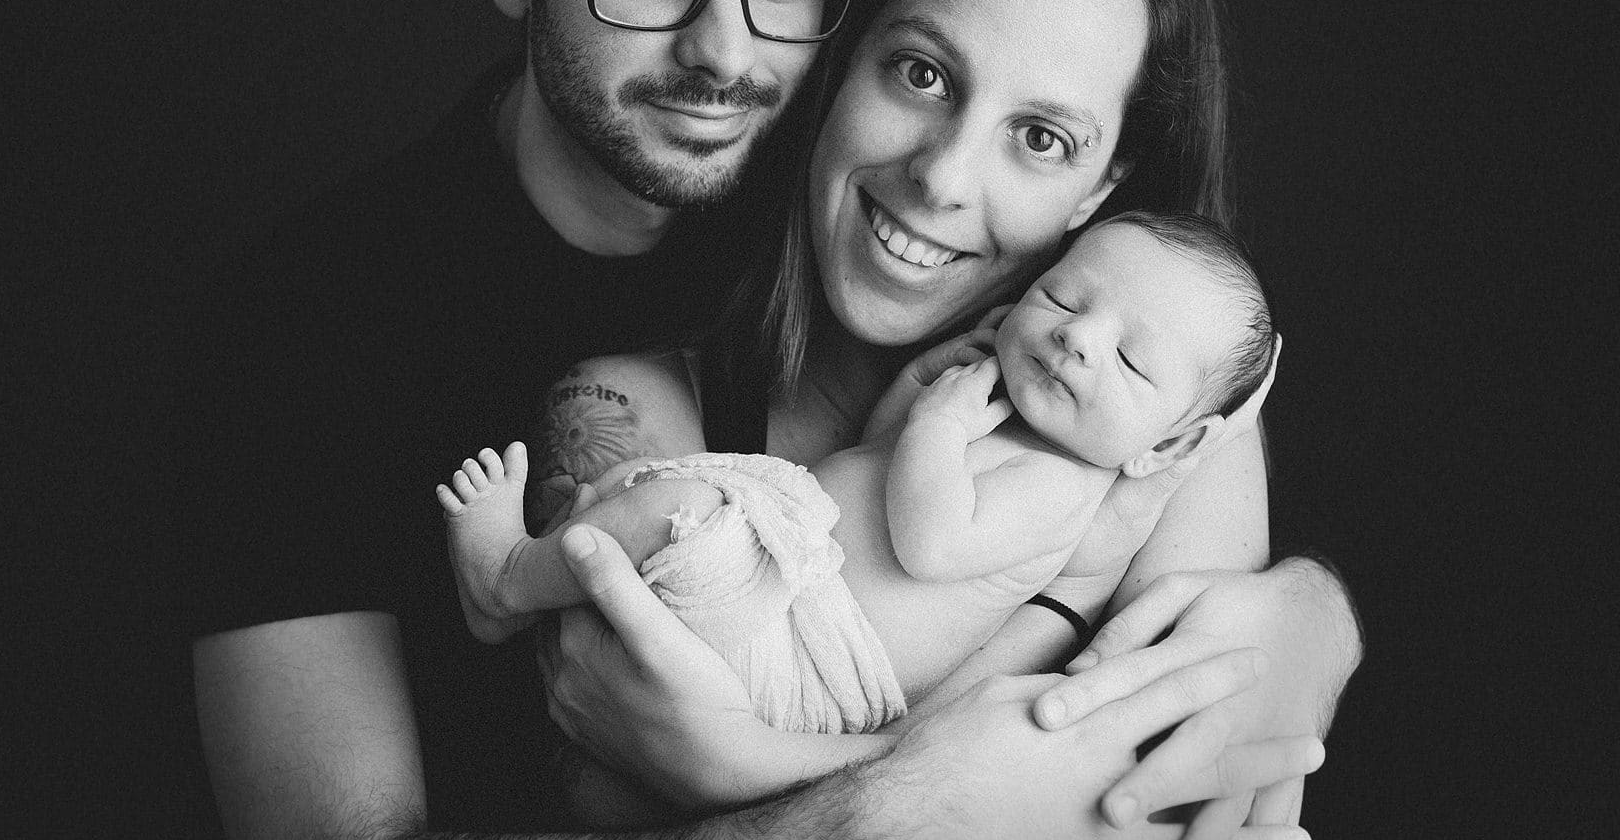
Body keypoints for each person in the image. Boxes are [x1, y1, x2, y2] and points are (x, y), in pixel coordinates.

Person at [180, 0, 1358, 840]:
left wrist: (1310, 616)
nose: (726, 52)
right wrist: (891, 834)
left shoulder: (996, 280)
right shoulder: (307, 325)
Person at [441, 211, 1277, 743]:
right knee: (670, 502)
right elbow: (868, 472)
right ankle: (579, 537)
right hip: (789, 574)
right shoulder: (1000, 411)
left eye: (1130, 359)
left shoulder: (1062, 485)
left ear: (1166, 448)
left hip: (811, 649)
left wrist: (940, 426)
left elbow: (928, 538)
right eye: (1061, 297)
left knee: (683, 509)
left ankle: (509, 578)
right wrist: (915, 399)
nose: (1079, 337)